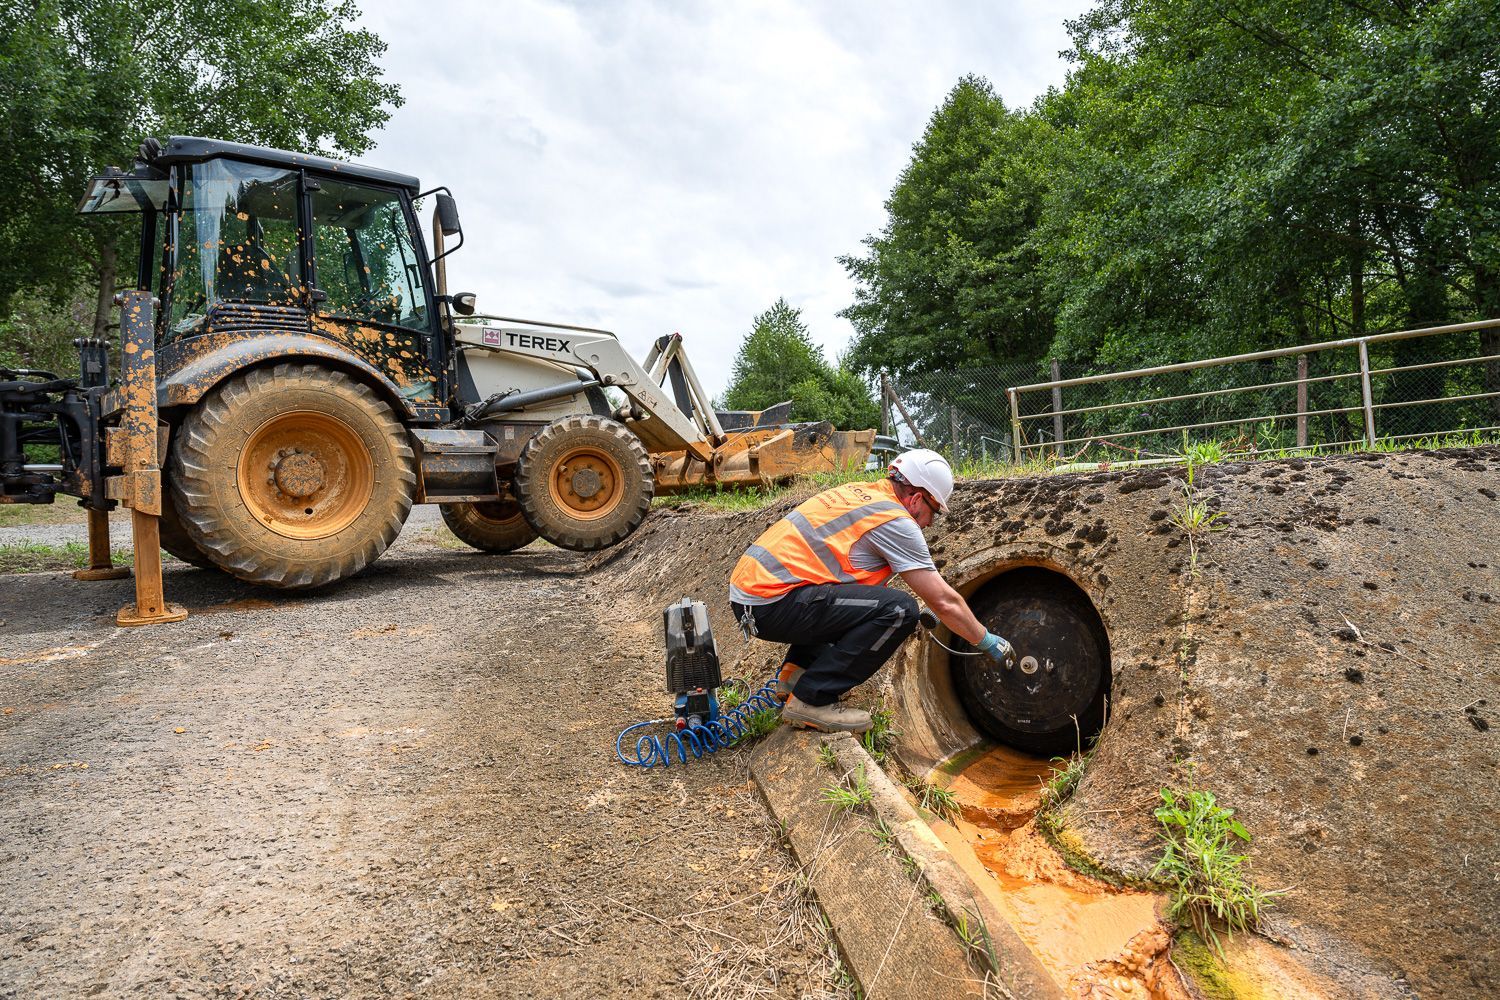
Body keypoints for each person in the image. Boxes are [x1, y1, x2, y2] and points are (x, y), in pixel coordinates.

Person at [729, 449, 1014, 734]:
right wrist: (986, 640)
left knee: (858, 600)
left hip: (751, 598)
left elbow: (842, 586)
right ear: (916, 498)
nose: (929, 523)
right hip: (773, 602)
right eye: (933, 512)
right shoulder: (895, 521)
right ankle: (811, 699)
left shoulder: (860, 492)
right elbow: (944, 601)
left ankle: (796, 675)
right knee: (900, 611)